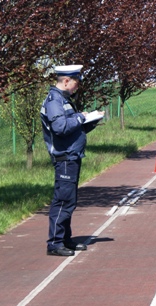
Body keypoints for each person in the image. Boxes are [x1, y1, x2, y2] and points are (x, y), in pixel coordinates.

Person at [41, 65, 104, 256]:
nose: (77, 87)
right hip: (65, 157)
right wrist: (79, 117)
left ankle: (65, 239)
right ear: (66, 81)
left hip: (72, 155)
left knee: (69, 201)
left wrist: (89, 121)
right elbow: (60, 127)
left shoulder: (64, 100)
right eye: (76, 82)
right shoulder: (54, 101)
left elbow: (73, 128)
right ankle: (55, 243)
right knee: (63, 201)